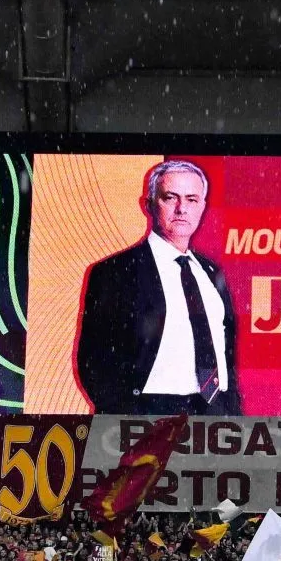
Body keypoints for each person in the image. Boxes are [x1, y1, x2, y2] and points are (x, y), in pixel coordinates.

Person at [73, 159, 240, 415]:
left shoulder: (211, 272)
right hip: (147, 413)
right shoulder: (115, 271)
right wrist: (126, 417)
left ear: (202, 206)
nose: (182, 209)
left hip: (214, 412)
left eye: (192, 199)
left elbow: (226, 353)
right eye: (170, 198)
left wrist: (232, 413)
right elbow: (93, 360)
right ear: (149, 204)